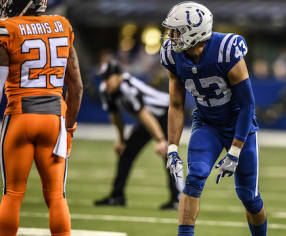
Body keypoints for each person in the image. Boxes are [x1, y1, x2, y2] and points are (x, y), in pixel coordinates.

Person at [160, 2, 267, 236]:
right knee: (194, 178)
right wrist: (171, 148)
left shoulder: (225, 50)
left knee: (248, 196)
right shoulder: (172, 54)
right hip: (207, 122)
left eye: (176, 30)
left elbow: (248, 105)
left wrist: (235, 151)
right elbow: (176, 105)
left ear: (194, 32)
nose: (170, 36)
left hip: (239, 123)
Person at [0, 0, 83, 235]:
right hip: (54, 119)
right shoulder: (62, 25)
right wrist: (68, 129)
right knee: (57, 195)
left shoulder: (8, 29)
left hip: (20, 116)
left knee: (12, 194)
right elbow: (76, 87)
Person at [94, 61, 184, 210]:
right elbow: (116, 116)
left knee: (169, 154)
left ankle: (179, 198)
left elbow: (144, 115)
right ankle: (117, 196)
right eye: (104, 78)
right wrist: (121, 140)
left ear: (118, 76)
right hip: (149, 117)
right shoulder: (106, 90)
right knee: (126, 153)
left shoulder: (127, 89)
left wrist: (161, 140)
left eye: (108, 77)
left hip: (165, 114)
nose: (105, 82)